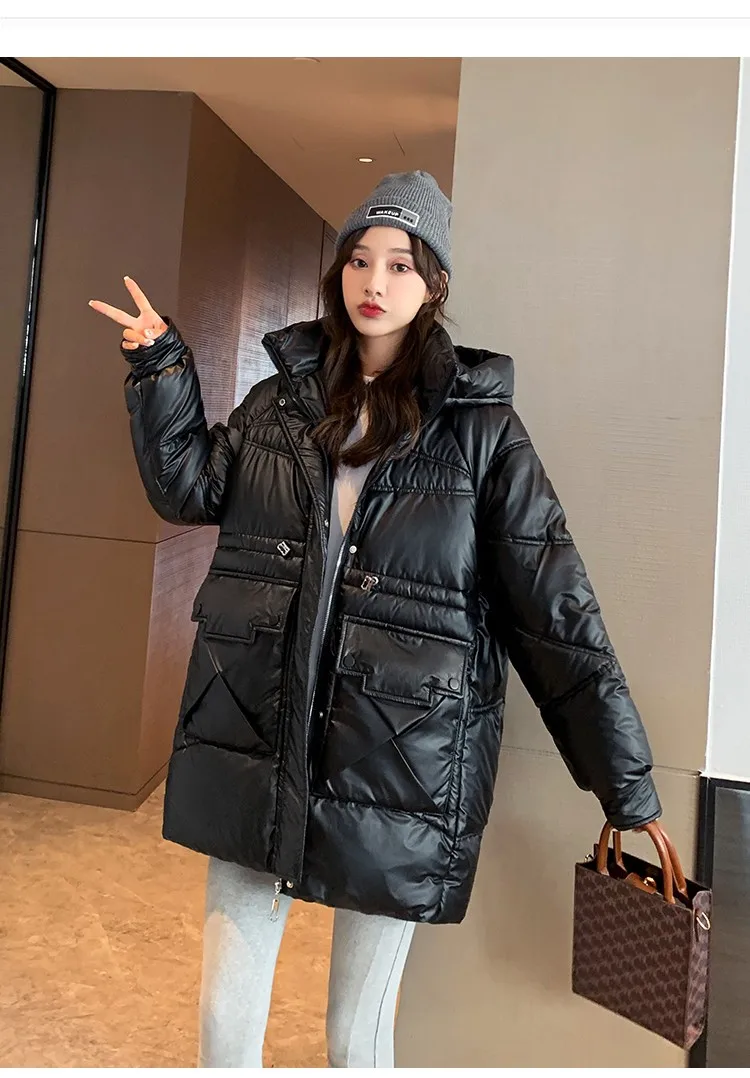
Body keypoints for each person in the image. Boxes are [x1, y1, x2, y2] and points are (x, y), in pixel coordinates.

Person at [89, 171, 666, 1068]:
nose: (374, 281)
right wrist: (160, 366)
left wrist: (625, 784)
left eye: (400, 264)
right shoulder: (279, 403)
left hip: (399, 762)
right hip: (258, 736)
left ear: (434, 284)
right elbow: (190, 488)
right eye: (360, 259)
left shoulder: (481, 432)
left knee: (356, 1038)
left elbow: (556, 614)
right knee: (223, 1025)